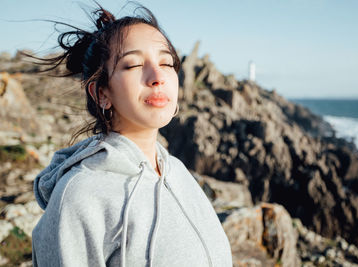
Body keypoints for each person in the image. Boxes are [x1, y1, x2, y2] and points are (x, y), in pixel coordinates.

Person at [31, 3, 232, 267]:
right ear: (101, 93)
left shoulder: (177, 172)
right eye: (134, 64)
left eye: (166, 62)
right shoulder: (80, 197)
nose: (157, 76)